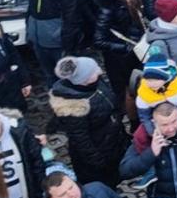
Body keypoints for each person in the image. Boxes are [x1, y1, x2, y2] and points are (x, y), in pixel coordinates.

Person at [48, 57, 127, 189]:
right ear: (84, 80)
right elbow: (80, 139)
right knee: (104, 186)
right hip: (98, 157)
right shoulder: (73, 106)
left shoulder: (95, 84)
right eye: (94, 71)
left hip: (111, 144)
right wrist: (98, 161)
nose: (100, 71)